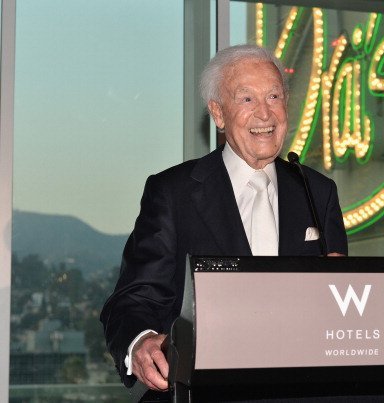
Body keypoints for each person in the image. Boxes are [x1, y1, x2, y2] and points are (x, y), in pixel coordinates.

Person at [100, 44, 348, 393]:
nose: (265, 114)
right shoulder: (174, 192)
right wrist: (140, 343)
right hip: (202, 392)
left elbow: (341, 311)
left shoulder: (317, 191)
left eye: (274, 96)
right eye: (246, 99)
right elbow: (132, 301)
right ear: (218, 113)